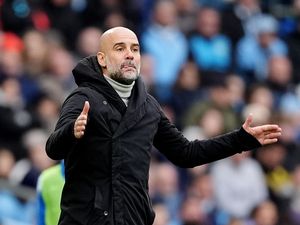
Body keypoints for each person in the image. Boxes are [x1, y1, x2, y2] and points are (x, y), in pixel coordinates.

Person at [45, 26, 282, 225]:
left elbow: (186, 153)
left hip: (133, 219)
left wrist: (241, 139)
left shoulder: (148, 106)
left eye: (135, 49)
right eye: (120, 49)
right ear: (102, 60)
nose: (129, 55)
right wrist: (72, 132)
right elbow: (53, 149)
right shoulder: (82, 98)